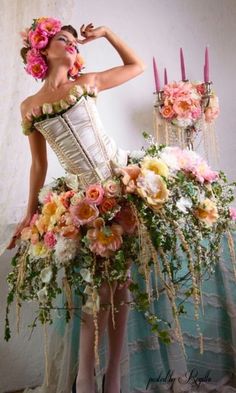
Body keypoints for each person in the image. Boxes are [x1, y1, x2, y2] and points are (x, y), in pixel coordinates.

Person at [6, 17, 146, 393]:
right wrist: (28, 214)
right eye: (64, 39)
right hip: (84, 201)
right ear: (42, 50)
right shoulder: (30, 107)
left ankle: (112, 378)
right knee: (95, 290)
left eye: (76, 42)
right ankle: (85, 378)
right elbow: (39, 164)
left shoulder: (87, 82)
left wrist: (108, 33)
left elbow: (137, 66)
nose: (73, 44)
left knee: (119, 287)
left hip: (120, 186)